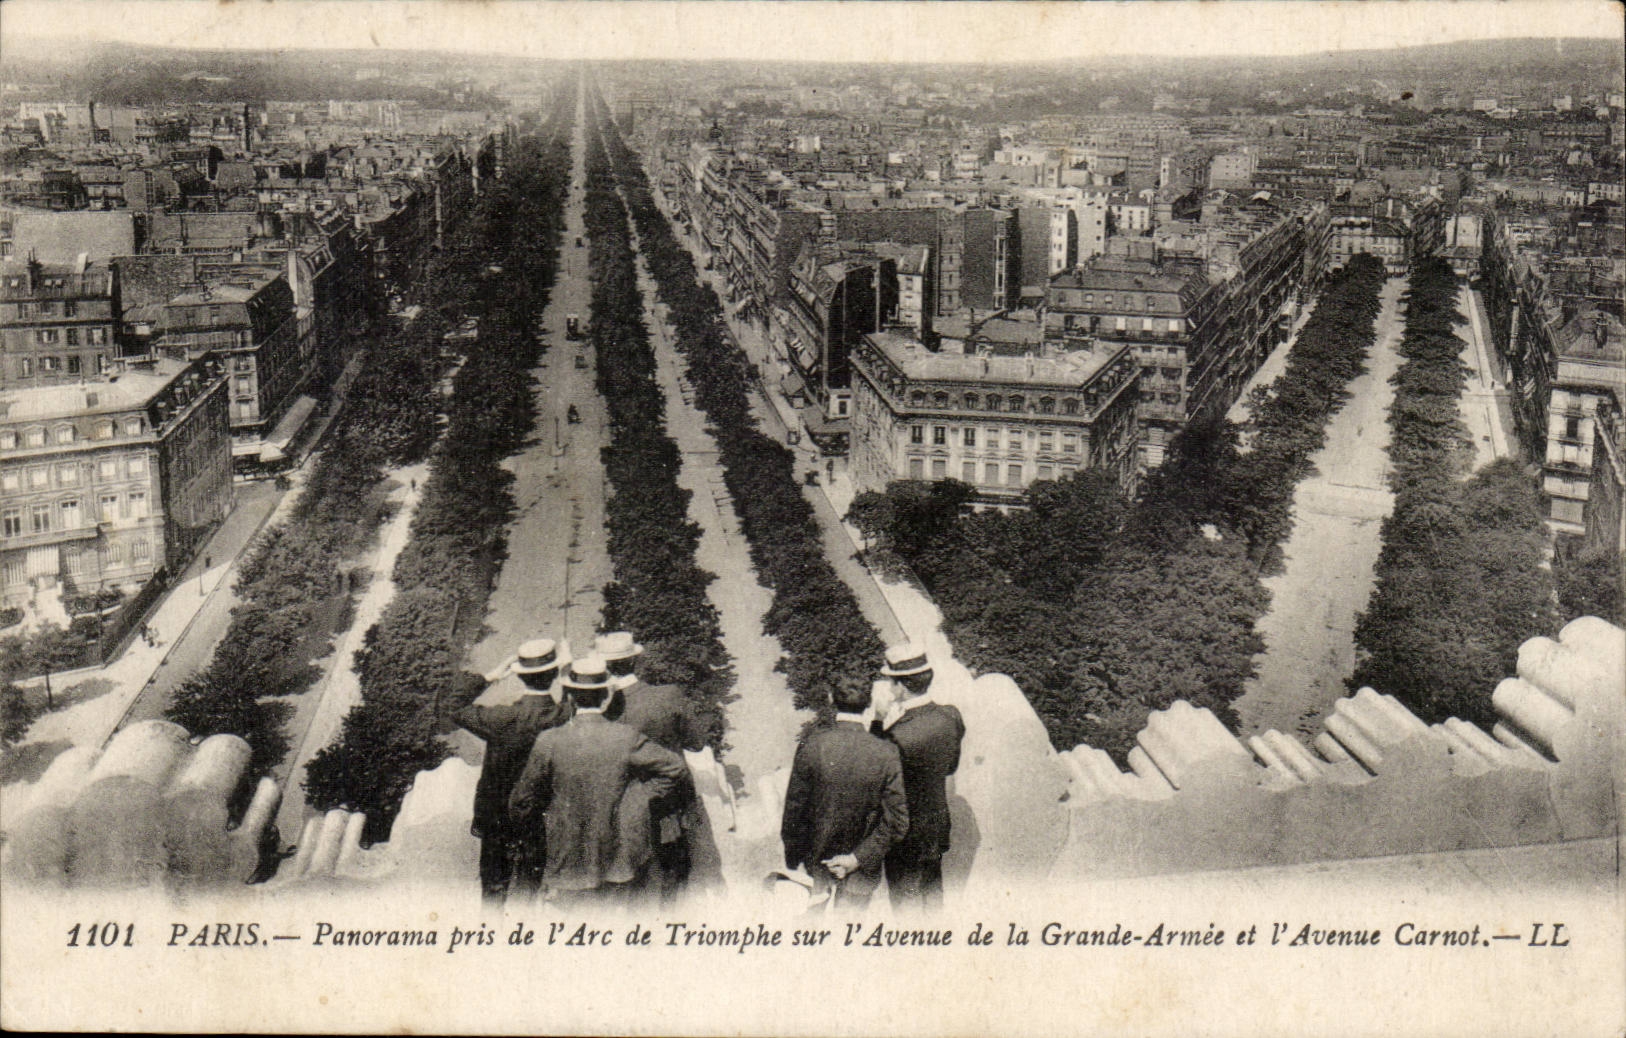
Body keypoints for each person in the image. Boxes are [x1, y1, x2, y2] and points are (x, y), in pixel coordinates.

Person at [508, 655, 688, 907]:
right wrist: (640, 797)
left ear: (570, 698)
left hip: (566, 857)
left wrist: (536, 830)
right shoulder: (626, 736)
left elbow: (522, 800)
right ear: (606, 697)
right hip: (618, 857)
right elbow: (675, 767)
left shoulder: (549, 740)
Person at [440, 638, 573, 905]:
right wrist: (567, 673)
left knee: (493, 886)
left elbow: (452, 707)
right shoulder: (562, 714)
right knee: (530, 885)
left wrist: (490, 676)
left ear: (520, 676)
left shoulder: (501, 718)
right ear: (553, 675)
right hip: (541, 812)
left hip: (497, 813)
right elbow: (579, 700)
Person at [594, 631, 716, 902]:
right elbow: (697, 743)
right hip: (672, 805)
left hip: (623, 810)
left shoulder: (600, 710)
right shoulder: (668, 695)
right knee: (674, 884)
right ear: (634, 661)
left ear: (604, 666)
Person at [780, 682, 908, 913]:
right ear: (868, 704)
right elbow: (897, 820)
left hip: (814, 863)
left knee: (809, 930)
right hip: (860, 866)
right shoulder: (887, 752)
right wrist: (856, 859)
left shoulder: (812, 745)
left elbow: (794, 810)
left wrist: (793, 859)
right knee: (849, 930)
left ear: (831, 700)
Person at [876, 641, 965, 912]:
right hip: (936, 824)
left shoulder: (894, 735)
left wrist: (878, 721)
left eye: (891, 682)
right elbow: (950, 767)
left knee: (906, 905)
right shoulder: (950, 716)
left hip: (903, 832)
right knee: (933, 894)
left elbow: (872, 775)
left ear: (901, 686)